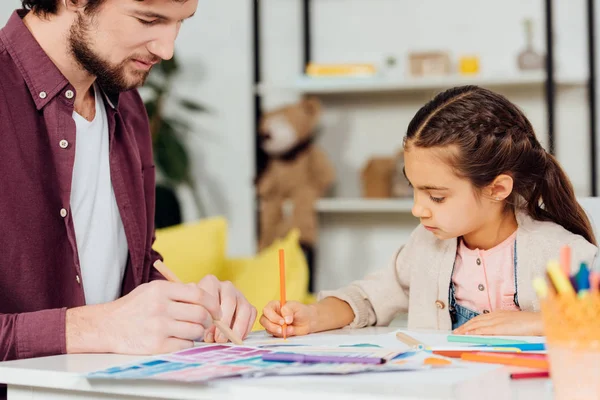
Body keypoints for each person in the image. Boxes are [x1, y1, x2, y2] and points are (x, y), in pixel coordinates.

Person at [0, 0, 257, 373]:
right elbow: (106, 324)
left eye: (179, 23)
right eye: (148, 19)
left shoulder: (129, 107)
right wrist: (91, 328)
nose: (166, 49)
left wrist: (191, 307)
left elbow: (128, 270)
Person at [260, 85, 598, 338]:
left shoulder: (557, 250)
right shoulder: (426, 246)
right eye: (414, 189)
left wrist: (541, 322)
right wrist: (312, 316)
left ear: (497, 189)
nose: (418, 209)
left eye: (436, 197)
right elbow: (367, 297)